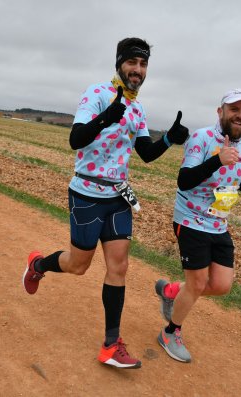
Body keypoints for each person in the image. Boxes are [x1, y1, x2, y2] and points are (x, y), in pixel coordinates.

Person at [22, 37, 189, 369]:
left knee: (119, 267)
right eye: (132, 63)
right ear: (119, 63)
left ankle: (111, 345)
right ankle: (38, 265)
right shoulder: (97, 94)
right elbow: (75, 140)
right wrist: (106, 117)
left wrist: (170, 138)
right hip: (86, 195)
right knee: (78, 265)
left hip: (117, 197)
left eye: (143, 65)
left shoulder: (138, 109)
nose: (138, 70)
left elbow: (145, 153)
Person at [155, 89, 241, 363]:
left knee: (221, 285)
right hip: (190, 219)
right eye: (234, 109)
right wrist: (217, 159)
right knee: (198, 282)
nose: (240, 115)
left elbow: (240, 175)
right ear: (220, 112)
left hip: (218, 223)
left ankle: (170, 291)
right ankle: (170, 333)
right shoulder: (201, 139)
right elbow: (185, 180)